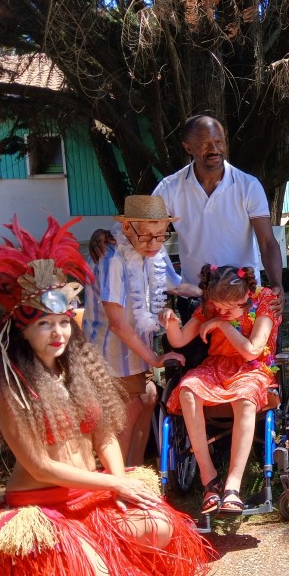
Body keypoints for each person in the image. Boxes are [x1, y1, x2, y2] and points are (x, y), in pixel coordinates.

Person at [0, 216, 213, 576]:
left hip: (88, 493)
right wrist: (114, 486)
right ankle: (87, 564)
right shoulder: (12, 390)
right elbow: (40, 468)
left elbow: (105, 431)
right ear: (22, 330)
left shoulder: (80, 374)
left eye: (61, 324)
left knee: (159, 525)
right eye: (43, 324)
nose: (56, 334)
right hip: (42, 505)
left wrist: (118, 482)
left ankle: (98, 551)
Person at [84, 196, 198, 465]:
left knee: (148, 398)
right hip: (108, 356)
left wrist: (215, 295)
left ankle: (135, 475)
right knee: (127, 411)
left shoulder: (154, 253)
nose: (155, 244)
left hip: (134, 354)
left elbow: (177, 285)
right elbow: (117, 323)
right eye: (147, 236)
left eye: (161, 236)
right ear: (127, 229)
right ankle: (118, 481)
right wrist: (155, 359)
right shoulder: (112, 258)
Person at [159, 265, 281, 515]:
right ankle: (210, 481)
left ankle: (232, 487)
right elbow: (180, 340)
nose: (222, 312)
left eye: (228, 309)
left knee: (245, 396)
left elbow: (252, 350)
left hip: (252, 368)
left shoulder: (265, 300)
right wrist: (170, 321)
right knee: (188, 391)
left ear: (247, 295)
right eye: (218, 308)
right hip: (216, 366)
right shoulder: (211, 304)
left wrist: (222, 325)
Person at [152, 114, 284, 306]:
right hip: (196, 298)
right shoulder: (170, 188)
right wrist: (107, 236)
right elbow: (144, 230)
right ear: (188, 147)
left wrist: (276, 285)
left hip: (242, 297)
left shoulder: (248, 186)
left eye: (218, 142)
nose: (214, 149)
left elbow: (267, 242)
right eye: (204, 143)